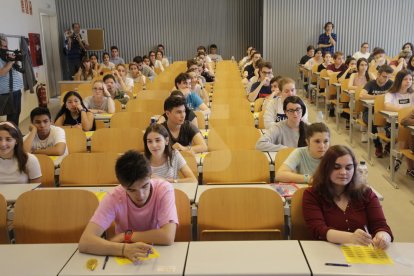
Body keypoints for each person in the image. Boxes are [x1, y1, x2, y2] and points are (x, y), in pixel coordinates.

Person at [79, 150, 178, 261]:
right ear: (122, 185)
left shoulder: (164, 189)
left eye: (145, 186)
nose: (140, 195)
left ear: (151, 176)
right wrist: (123, 249)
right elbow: (85, 242)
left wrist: (126, 236)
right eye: (131, 190)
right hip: (124, 253)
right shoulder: (114, 197)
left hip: (159, 250)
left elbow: (168, 236)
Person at [302, 145, 393, 249]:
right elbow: (318, 230)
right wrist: (350, 238)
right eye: (336, 167)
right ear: (326, 168)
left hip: (362, 254)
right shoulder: (313, 194)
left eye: (349, 167)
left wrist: (383, 237)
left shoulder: (365, 193)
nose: (343, 172)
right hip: (327, 252)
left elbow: (381, 226)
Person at [360, 65, 394, 158]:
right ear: (378, 75)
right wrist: (379, 97)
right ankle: (378, 145)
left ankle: (389, 145)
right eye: (384, 76)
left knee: (395, 124)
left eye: (388, 77)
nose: (386, 79)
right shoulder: (371, 83)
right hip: (369, 111)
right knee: (372, 122)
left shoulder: (390, 83)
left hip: (384, 112)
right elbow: (362, 95)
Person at [0, 34, 24, 126]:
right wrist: (10, 61)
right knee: (12, 119)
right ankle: (12, 136)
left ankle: (12, 136)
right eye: (4, 46)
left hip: (14, 91)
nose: (7, 48)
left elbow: (12, 69)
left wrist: (14, 60)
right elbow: (2, 72)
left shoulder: (4, 56)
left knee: (15, 116)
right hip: (7, 92)